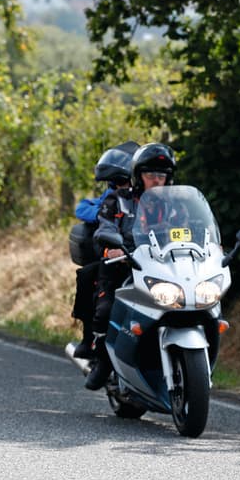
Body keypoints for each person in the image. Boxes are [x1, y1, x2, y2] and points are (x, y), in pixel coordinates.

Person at [84, 143, 176, 391]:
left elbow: (196, 226)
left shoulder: (175, 205)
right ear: (138, 176)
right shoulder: (119, 201)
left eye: (161, 175)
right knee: (105, 310)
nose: (157, 180)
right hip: (122, 267)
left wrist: (211, 244)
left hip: (164, 268)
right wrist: (113, 247)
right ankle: (104, 362)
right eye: (150, 175)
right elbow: (104, 229)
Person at [70, 143, 136, 359]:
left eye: (124, 181)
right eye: (117, 182)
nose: (121, 186)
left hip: (151, 260)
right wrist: (104, 212)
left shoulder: (150, 199)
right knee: (87, 276)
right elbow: (82, 208)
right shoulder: (111, 199)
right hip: (116, 257)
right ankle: (90, 339)